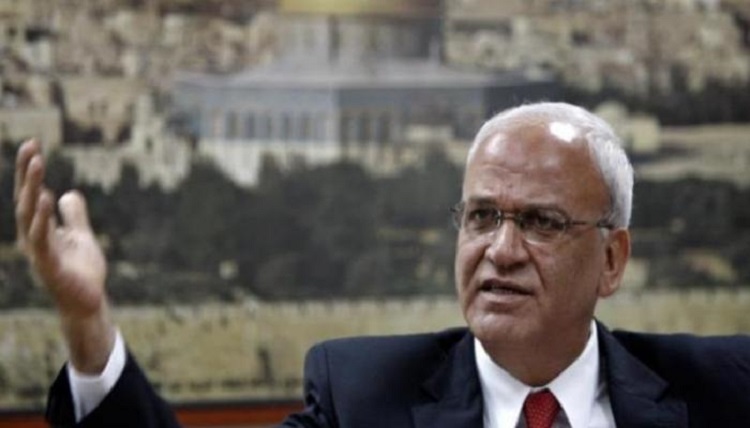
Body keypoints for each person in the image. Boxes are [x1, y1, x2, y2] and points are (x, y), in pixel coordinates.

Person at [14, 102, 750, 428]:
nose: (500, 250)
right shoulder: (364, 397)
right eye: (482, 217)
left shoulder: (722, 391)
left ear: (612, 260)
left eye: (542, 223)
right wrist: (87, 324)